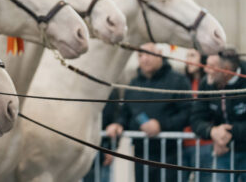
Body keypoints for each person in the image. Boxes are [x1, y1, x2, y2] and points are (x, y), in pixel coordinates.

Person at [106, 43, 191, 182]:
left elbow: (187, 113)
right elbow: (125, 113)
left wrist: (161, 125)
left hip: (170, 156)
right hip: (141, 155)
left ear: (160, 54)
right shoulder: (133, 85)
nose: (145, 59)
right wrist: (118, 124)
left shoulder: (178, 81)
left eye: (149, 54)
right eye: (140, 55)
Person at [190, 48, 246, 182]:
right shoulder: (207, 83)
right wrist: (212, 132)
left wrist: (228, 133)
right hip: (223, 152)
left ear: (226, 69)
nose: (205, 70)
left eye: (211, 66)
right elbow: (196, 118)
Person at [182, 49, 212, 182]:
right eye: (187, 56)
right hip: (184, 142)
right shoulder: (183, 83)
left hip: (204, 142)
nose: (189, 60)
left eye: (193, 56)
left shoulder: (208, 84)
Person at [83, 89, 120, 182]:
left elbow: (116, 119)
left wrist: (112, 148)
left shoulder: (110, 92)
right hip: (79, 152)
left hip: (101, 152)